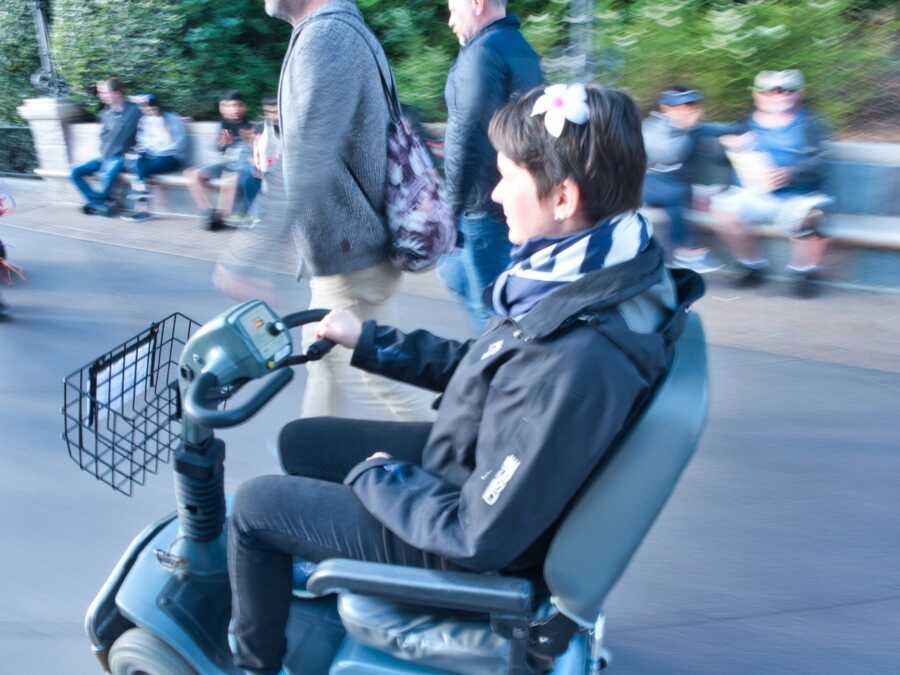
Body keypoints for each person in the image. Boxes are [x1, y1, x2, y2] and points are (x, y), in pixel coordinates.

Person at [227, 83, 704, 674]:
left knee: (254, 509)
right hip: (480, 466)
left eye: (507, 177)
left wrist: (382, 477)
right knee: (302, 441)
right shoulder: (597, 274)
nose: (497, 194)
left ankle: (254, 665)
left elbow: (478, 536)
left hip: (467, 541)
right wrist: (370, 341)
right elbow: (493, 368)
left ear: (563, 197)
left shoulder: (580, 356)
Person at [261, 0, 434, 421]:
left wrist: (253, 252)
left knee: (373, 377)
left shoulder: (328, 36)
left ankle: (465, 457)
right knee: (330, 368)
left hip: (351, 253)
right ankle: (311, 469)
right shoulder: (335, 31)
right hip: (354, 249)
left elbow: (312, 155)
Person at [440, 0, 543, 331]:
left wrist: (450, 209)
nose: (450, 20)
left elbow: (465, 137)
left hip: (482, 203)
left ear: (476, 4)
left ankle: (499, 370)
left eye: (454, 8)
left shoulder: (481, 53)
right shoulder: (521, 49)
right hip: (515, 199)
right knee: (459, 274)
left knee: (491, 309)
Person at [710, 69, 832, 297]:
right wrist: (728, 145)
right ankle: (752, 266)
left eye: (786, 90)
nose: (778, 95)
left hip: (798, 195)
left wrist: (790, 173)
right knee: (723, 210)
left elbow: (820, 162)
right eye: (769, 91)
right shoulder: (746, 122)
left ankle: (805, 273)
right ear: (757, 95)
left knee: (812, 217)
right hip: (754, 194)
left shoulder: (810, 123)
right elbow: (719, 158)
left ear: (799, 94)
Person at [642, 85, 739, 272]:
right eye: (678, 107)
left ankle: (683, 253)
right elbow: (667, 155)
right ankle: (684, 252)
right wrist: (683, 130)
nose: (685, 111)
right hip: (650, 184)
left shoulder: (696, 128)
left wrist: (739, 133)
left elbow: (727, 129)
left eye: (690, 106)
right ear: (665, 108)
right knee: (677, 194)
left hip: (676, 189)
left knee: (678, 203)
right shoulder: (653, 127)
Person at [69, 78, 142, 217]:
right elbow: (103, 137)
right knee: (75, 171)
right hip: (105, 156)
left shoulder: (135, 110)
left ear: (117, 93)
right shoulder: (105, 114)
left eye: (104, 92)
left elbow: (154, 111)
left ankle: (97, 204)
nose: (101, 95)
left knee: (107, 173)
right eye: (100, 92)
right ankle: (99, 203)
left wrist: (177, 118)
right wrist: (104, 153)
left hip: (123, 157)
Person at [186, 90, 256, 231]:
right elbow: (221, 149)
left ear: (244, 107)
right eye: (230, 106)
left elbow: (255, 152)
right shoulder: (224, 125)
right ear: (224, 108)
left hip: (242, 166)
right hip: (226, 163)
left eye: (237, 105)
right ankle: (208, 212)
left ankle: (222, 217)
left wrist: (250, 141)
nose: (234, 109)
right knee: (192, 174)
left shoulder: (250, 126)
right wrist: (223, 144)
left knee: (228, 176)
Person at [121, 94, 189, 222]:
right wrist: (142, 149)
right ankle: (142, 209)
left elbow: (179, 144)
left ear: (158, 107)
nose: (150, 112)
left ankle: (142, 209)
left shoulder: (172, 119)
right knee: (138, 162)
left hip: (171, 157)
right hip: (151, 155)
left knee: (140, 167)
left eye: (152, 109)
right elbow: (142, 141)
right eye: (146, 110)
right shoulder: (144, 120)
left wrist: (156, 150)